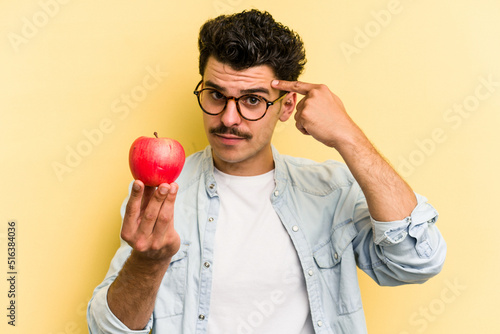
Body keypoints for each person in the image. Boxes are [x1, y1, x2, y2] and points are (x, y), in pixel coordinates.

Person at [87, 9, 446, 334]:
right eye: (215, 95)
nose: (228, 118)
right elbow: (108, 330)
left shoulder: (330, 191)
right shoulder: (163, 195)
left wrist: (348, 137)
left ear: (287, 105)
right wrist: (149, 263)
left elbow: (418, 261)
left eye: (252, 100)